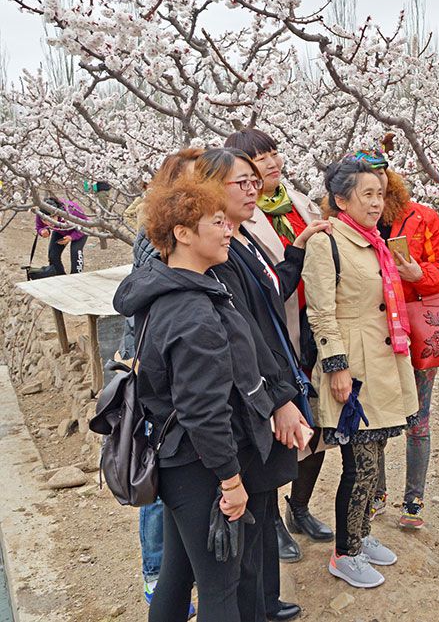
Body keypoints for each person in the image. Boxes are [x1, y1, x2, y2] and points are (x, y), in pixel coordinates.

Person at [113, 175, 269, 622]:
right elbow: (203, 411)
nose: (228, 231)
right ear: (183, 234)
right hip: (201, 468)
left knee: (179, 576)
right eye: (216, 222)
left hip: (176, 460)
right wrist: (231, 481)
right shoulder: (193, 312)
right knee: (222, 589)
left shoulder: (163, 291)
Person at [197, 146, 326, 622]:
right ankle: (257, 608)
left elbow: (271, 296)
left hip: (274, 383)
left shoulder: (243, 238)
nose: (254, 188)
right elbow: (243, 334)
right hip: (252, 402)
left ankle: (266, 604)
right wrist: (278, 398)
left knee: (264, 508)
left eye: (256, 180)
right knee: (247, 531)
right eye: (242, 182)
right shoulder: (217, 252)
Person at [301, 158, 419, 588]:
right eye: (367, 194)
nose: (376, 203)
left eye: (380, 194)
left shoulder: (373, 239)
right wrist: (336, 368)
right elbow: (322, 313)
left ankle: (361, 534)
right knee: (360, 464)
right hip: (355, 367)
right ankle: (344, 552)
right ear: (340, 199)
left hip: (384, 360)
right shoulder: (328, 242)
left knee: (375, 458)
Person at [224, 128, 333, 561]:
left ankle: (299, 507)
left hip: (314, 329)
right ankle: (269, 516)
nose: (270, 165)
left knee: (318, 426)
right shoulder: (239, 222)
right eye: (256, 161)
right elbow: (267, 289)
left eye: (272, 154)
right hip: (277, 334)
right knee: (282, 429)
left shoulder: (299, 203)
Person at [114, 149, 200, 618]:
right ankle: (155, 572)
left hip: (158, 368)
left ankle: (166, 575)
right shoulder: (159, 237)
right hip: (153, 374)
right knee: (155, 474)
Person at [357, 149, 439, 530]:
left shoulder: (422, 217)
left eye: (380, 178)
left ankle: (413, 499)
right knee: (375, 420)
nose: (375, 189)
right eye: (365, 182)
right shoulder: (349, 227)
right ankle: (376, 492)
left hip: (415, 334)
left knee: (419, 418)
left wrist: (418, 274)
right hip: (369, 336)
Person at [34, 196, 88, 276]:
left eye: (52, 218)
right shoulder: (41, 214)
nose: (49, 222)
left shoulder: (70, 211)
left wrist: (71, 237)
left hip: (79, 230)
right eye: (45, 220)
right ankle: (60, 276)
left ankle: (76, 276)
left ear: (57, 214)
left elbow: (85, 225)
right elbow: (39, 227)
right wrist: (42, 231)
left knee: (75, 252)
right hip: (60, 231)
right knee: (53, 255)